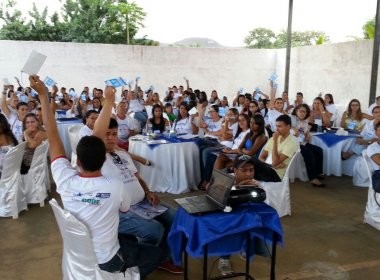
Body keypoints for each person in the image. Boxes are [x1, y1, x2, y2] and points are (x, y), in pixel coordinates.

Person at [29, 75, 163, 278]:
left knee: (130, 237)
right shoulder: (114, 185)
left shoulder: (64, 179)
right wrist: (109, 100)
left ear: (77, 161)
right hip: (109, 259)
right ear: (104, 160)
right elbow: (124, 208)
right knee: (159, 253)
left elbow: (53, 133)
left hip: (77, 255)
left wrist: (42, 95)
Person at [92, 94, 182, 274]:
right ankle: (140, 268)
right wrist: (108, 102)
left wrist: (147, 191)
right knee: (154, 230)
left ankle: (163, 258)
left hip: (143, 203)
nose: (111, 138)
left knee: (176, 217)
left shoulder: (123, 154)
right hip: (121, 211)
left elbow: (135, 177)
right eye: (106, 134)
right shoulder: (96, 158)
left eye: (114, 134)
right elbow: (96, 134)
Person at [217, 155, 268, 276]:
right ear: (235, 170)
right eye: (244, 170)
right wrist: (238, 188)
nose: (248, 174)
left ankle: (246, 247)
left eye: (251, 170)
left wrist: (254, 190)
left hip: (245, 215)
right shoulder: (227, 179)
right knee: (231, 228)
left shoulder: (255, 184)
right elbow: (218, 196)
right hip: (226, 214)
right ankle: (224, 258)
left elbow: (261, 203)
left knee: (254, 223)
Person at [257, 114, 299, 182]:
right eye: (276, 126)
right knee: (247, 166)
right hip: (267, 168)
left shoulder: (291, 143)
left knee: (249, 172)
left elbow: (275, 163)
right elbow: (261, 157)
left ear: (288, 127)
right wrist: (269, 165)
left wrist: (275, 141)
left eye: (279, 126)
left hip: (276, 174)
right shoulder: (273, 138)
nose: (276, 129)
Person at [291, 104, 324, 187]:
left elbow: (305, 133)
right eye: (300, 111)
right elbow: (287, 126)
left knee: (319, 150)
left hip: (302, 142)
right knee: (309, 153)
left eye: (304, 112)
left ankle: (318, 172)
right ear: (296, 111)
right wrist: (292, 128)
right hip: (294, 143)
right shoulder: (292, 119)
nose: (302, 113)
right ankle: (313, 178)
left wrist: (307, 134)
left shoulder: (305, 121)